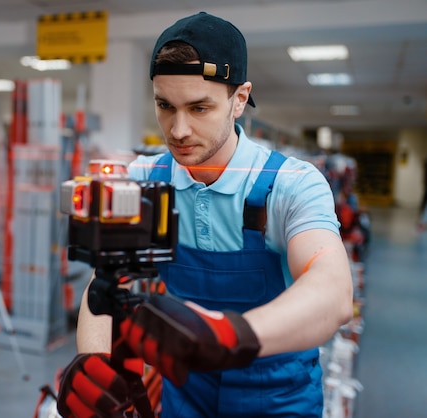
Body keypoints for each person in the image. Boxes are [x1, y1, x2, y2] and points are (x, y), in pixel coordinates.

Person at [57, 11, 354, 418]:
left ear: (240, 100)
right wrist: (95, 366)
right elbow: (106, 281)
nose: (177, 130)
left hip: (278, 396)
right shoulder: (143, 181)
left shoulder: (291, 184)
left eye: (199, 109)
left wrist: (228, 336)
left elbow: (333, 292)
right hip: (185, 390)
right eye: (165, 106)